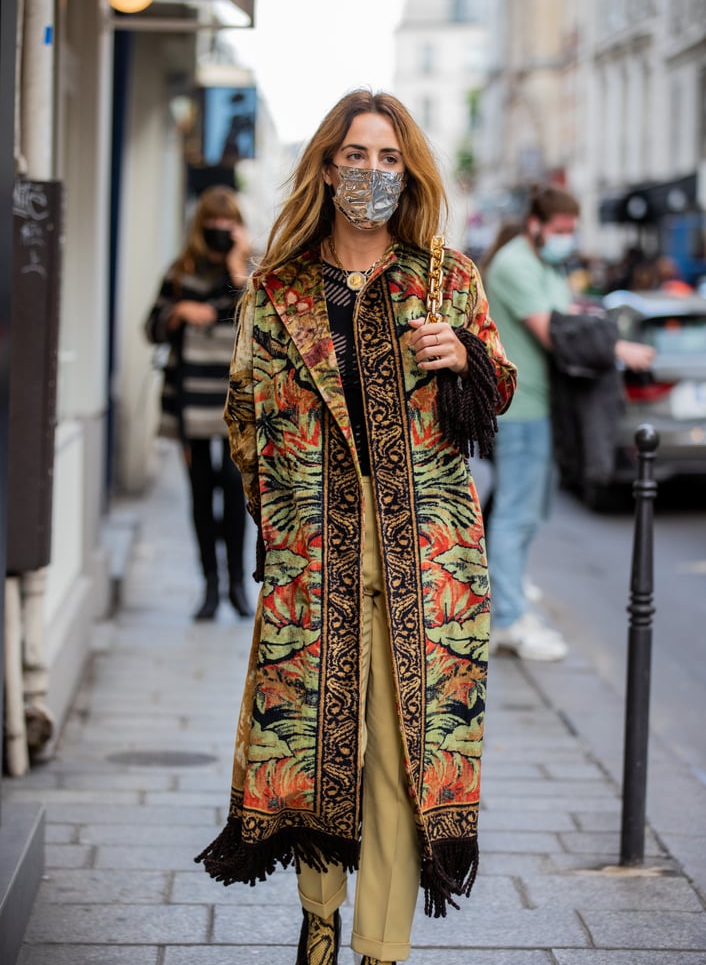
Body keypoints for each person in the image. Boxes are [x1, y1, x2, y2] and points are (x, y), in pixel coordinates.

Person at [196, 89, 517, 965]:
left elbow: (499, 390)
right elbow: (243, 420)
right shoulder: (278, 289)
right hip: (318, 554)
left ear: (406, 171)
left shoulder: (448, 277)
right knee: (315, 741)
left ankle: (382, 944)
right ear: (327, 165)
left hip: (431, 563)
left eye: (388, 157)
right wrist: (291, 524)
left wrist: (469, 360)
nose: (371, 172)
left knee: (400, 755)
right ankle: (320, 915)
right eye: (355, 154)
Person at [485, 185, 654, 661]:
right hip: (520, 411)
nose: (566, 239)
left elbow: (566, 314)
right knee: (516, 516)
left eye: (571, 231)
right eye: (560, 230)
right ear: (535, 223)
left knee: (527, 512)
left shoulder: (544, 263)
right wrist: (617, 347)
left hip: (543, 409)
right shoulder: (517, 264)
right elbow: (553, 332)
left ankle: (509, 594)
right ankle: (508, 620)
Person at [145, 185, 254, 621]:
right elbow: (151, 327)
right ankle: (209, 586)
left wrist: (237, 265)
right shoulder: (180, 271)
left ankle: (237, 586)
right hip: (189, 397)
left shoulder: (250, 268)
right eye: (212, 225)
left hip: (234, 402)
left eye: (227, 226)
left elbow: (263, 321)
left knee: (234, 489)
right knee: (199, 492)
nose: (219, 233)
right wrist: (178, 313)